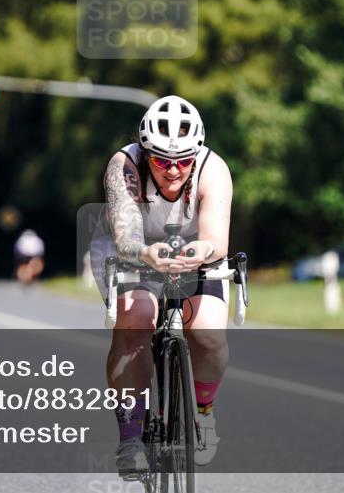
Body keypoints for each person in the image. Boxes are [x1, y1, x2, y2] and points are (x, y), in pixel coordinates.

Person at [101, 95, 233, 476]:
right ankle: (131, 436)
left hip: (198, 255)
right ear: (145, 154)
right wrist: (146, 253)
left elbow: (217, 239)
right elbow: (125, 237)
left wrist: (200, 250)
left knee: (207, 332)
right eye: (161, 160)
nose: (173, 170)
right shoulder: (124, 165)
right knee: (138, 317)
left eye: (182, 161)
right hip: (138, 254)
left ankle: (203, 412)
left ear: (196, 154)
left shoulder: (213, 168)